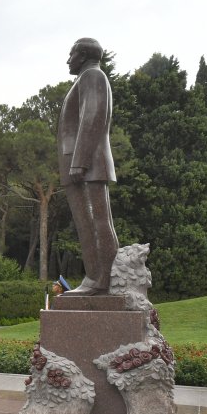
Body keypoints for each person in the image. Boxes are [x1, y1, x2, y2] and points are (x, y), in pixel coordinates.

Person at [57, 37, 119, 296]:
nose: (67, 60)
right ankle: (98, 278)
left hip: (86, 163)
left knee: (94, 222)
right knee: (90, 222)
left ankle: (99, 279)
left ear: (82, 55)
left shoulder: (92, 76)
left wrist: (79, 162)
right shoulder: (88, 78)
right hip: (83, 163)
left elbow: (92, 116)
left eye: (71, 54)